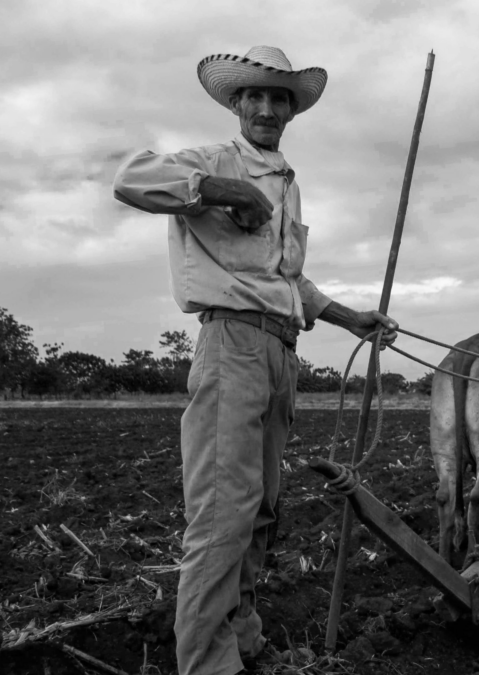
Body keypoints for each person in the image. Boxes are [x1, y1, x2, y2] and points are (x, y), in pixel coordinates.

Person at [113, 46, 397, 675]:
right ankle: (208, 664)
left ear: (292, 111)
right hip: (232, 347)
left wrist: (352, 318)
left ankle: (241, 633)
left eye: (280, 98)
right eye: (256, 97)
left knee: (263, 506)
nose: (268, 108)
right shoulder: (211, 161)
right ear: (236, 104)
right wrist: (221, 189)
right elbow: (130, 179)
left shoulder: (290, 183)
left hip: (279, 353)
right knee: (224, 509)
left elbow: (287, 278)